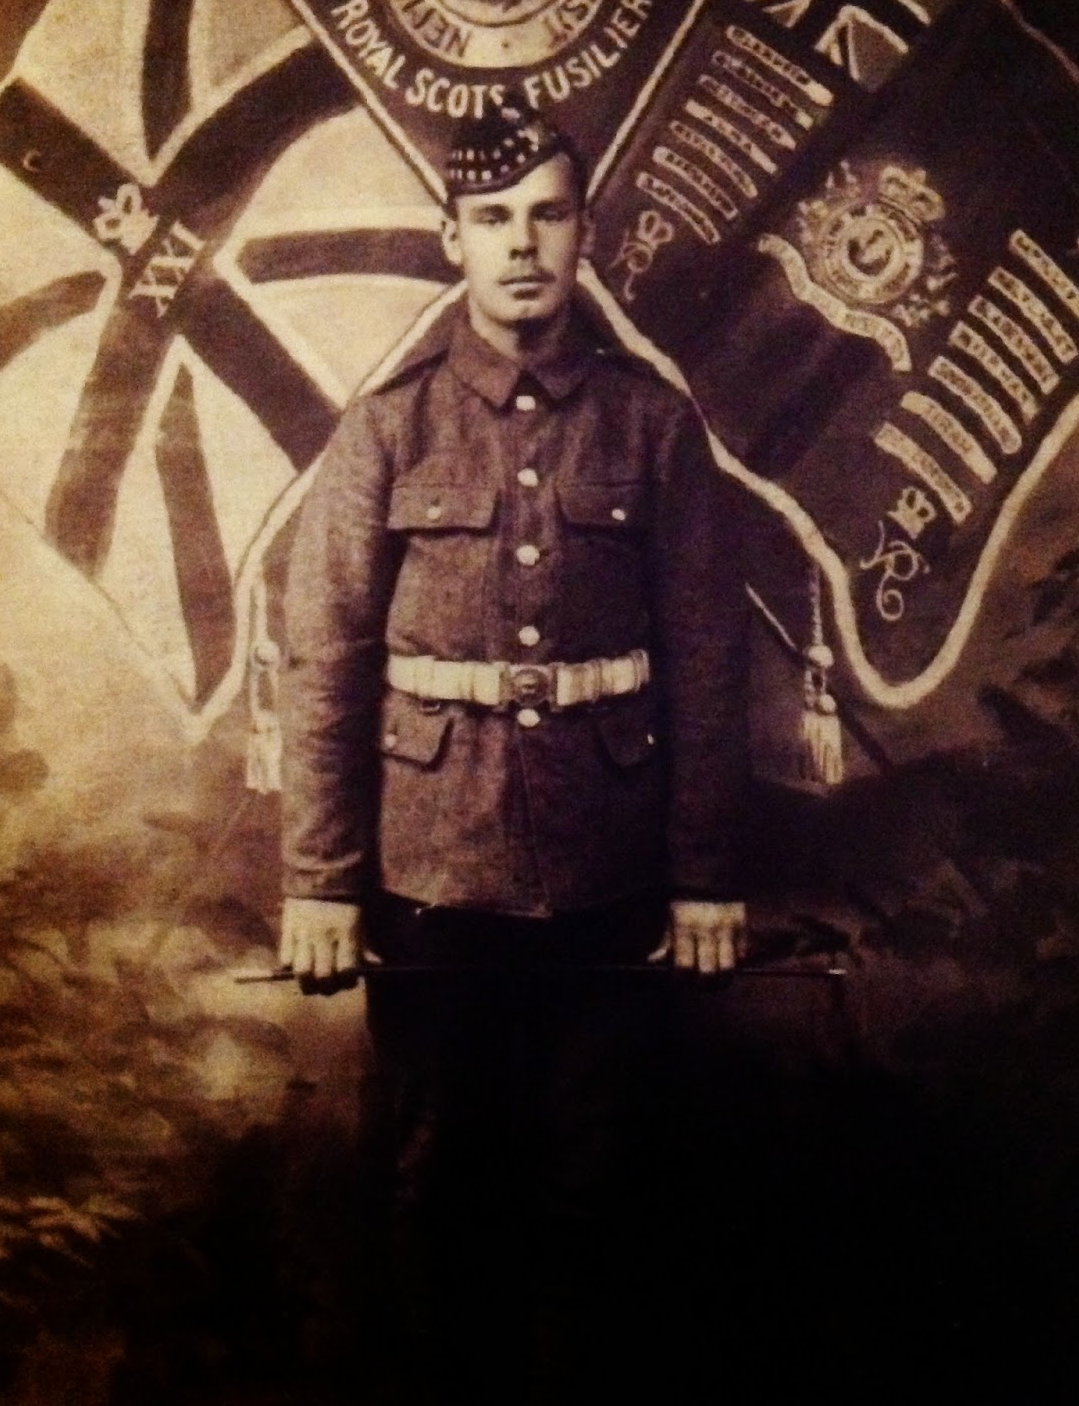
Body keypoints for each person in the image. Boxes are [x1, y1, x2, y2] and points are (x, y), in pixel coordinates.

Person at [276, 102, 753, 1402]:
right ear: (453, 239)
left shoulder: (653, 427)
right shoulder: (387, 431)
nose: (523, 244)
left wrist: (705, 877)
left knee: (600, 1184)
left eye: (548, 214)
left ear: (586, 231)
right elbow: (327, 664)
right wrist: (320, 882)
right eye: (493, 219)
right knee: (438, 1181)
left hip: (612, 878)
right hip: (434, 878)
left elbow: (711, 661)